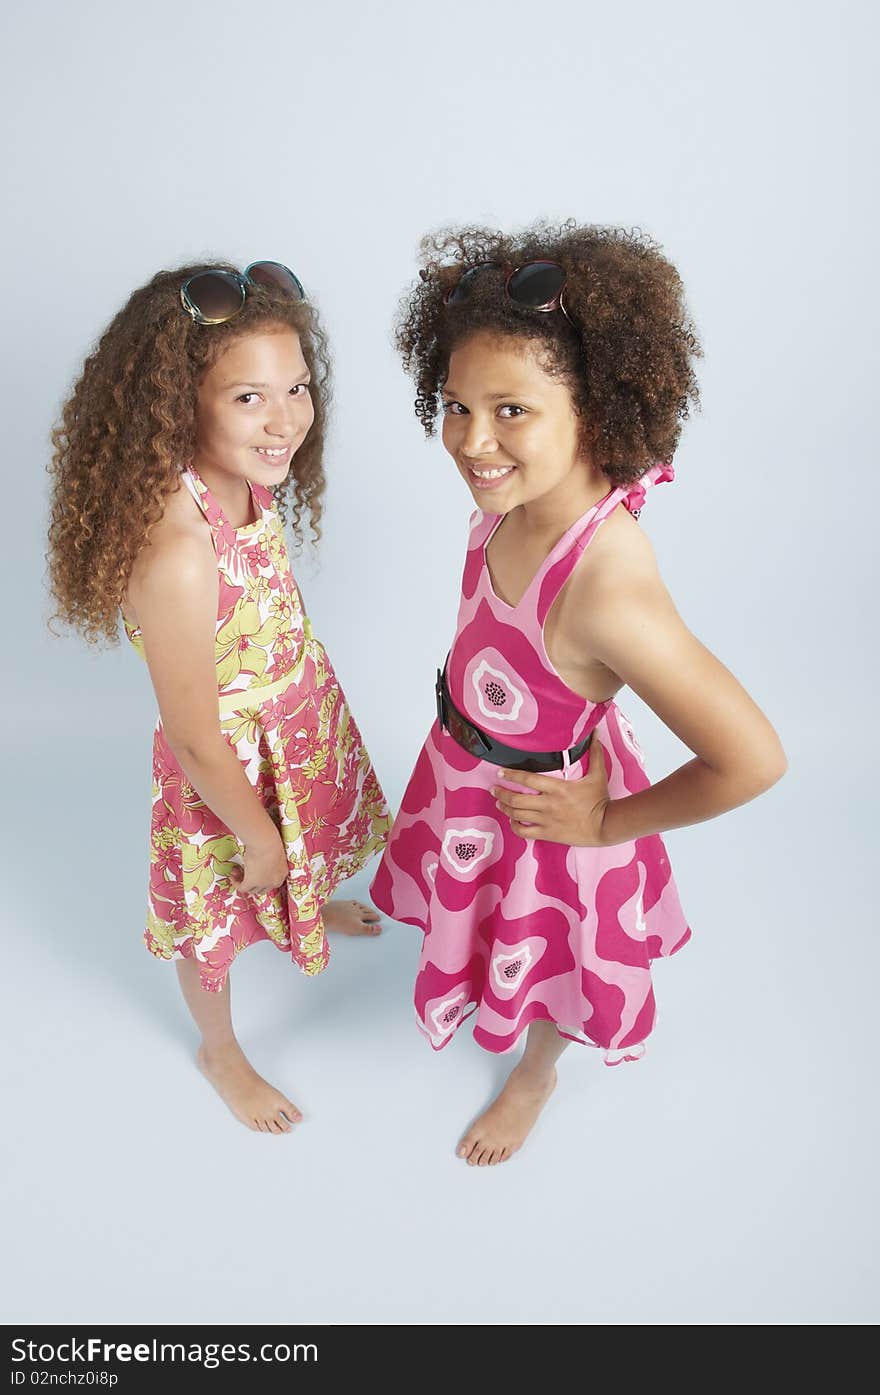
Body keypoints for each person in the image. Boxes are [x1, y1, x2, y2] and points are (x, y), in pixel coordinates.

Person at [371, 224, 787, 1165]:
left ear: (593, 411)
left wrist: (609, 824)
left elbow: (754, 757)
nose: (472, 441)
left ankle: (536, 1069)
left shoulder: (607, 588)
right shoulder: (510, 499)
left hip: (546, 816)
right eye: (455, 405)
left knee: (544, 955)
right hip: (470, 776)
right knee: (483, 921)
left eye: (511, 410)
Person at [48, 260, 391, 1134]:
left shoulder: (246, 481)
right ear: (180, 405)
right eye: (250, 399)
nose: (287, 421)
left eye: (298, 388)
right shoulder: (176, 550)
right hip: (224, 771)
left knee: (300, 849)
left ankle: (303, 900)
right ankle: (220, 1049)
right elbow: (195, 735)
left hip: (292, 717)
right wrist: (258, 835)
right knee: (217, 916)